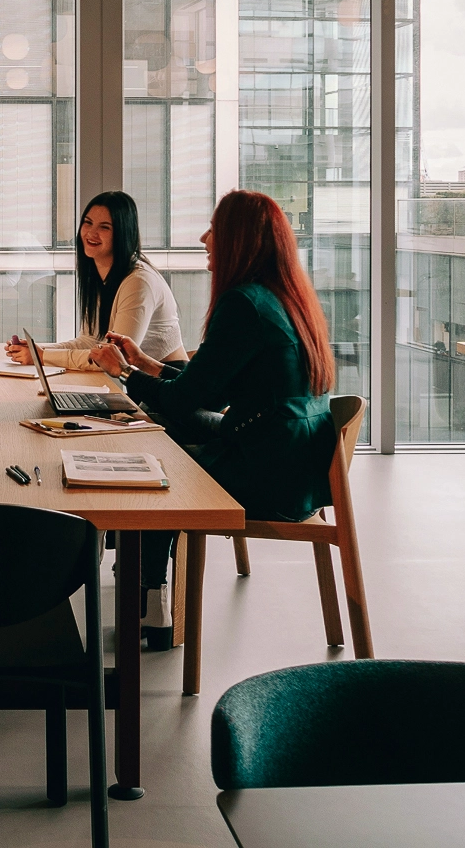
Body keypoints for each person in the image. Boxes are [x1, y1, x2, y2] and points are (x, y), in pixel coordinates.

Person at [88, 190, 336, 651]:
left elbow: (187, 400)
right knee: (158, 427)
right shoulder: (279, 297)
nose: (204, 238)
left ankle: (149, 600)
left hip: (268, 471)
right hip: (293, 458)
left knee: (151, 466)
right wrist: (147, 363)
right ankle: (143, 577)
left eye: (214, 230)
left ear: (239, 240)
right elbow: (212, 387)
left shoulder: (242, 304)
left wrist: (122, 371)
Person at [6, 191, 185, 372]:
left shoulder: (138, 282)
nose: (91, 233)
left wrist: (42, 356)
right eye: (88, 223)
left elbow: (115, 358)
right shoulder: (98, 274)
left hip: (164, 385)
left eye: (104, 227)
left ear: (122, 233)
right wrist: (37, 350)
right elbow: (89, 341)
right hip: (135, 381)